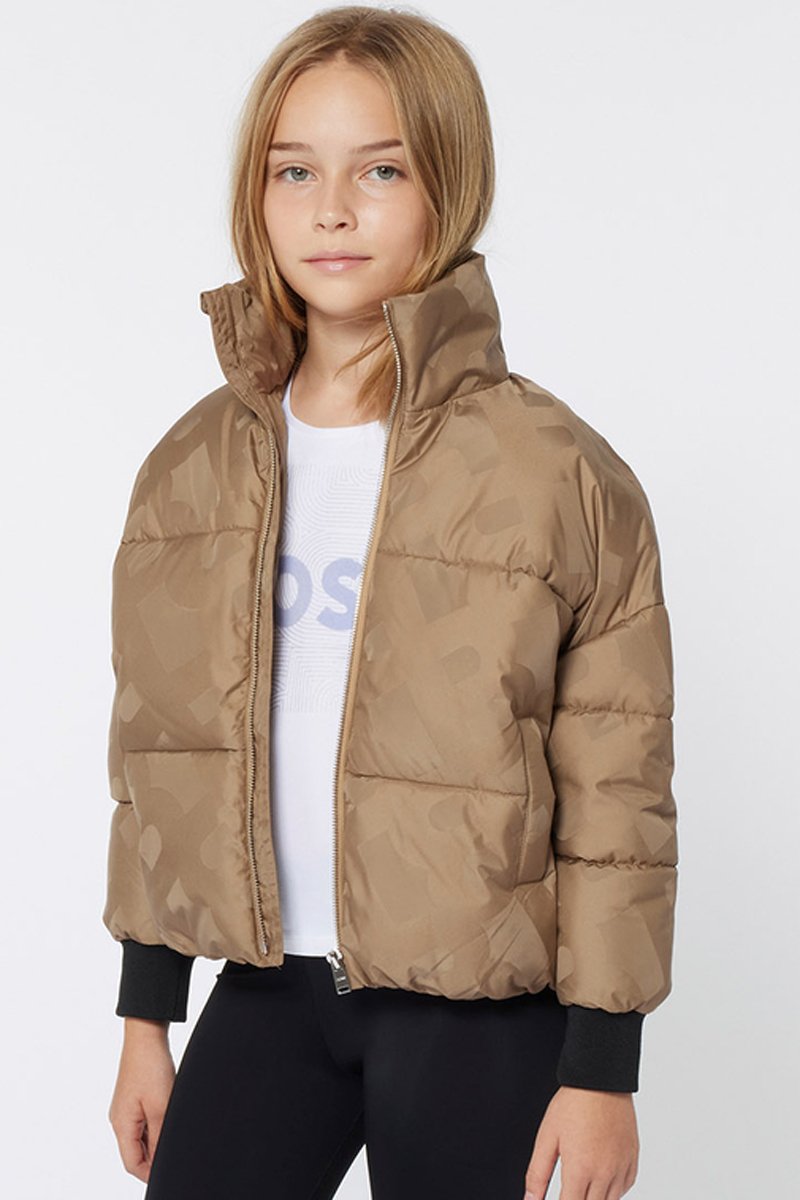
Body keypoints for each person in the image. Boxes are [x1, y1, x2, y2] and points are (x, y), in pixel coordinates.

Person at [103, 7, 678, 1199]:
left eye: (379, 170)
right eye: (293, 172)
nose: (331, 210)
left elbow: (617, 790)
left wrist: (601, 1069)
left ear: (446, 186)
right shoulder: (190, 470)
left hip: (477, 1018)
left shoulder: (554, 475)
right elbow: (162, 752)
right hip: (264, 994)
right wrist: (146, 1019)